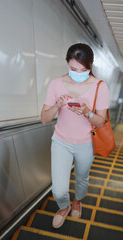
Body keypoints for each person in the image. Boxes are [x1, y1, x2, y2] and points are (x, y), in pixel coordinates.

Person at [41, 43, 109, 228]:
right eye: (73, 69)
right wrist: (57, 106)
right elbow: (44, 119)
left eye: (83, 69)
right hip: (61, 142)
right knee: (59, 189)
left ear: (90, 67)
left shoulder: (100, 87)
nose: (77, 73)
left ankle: (78, 201)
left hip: (86, 144)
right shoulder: (56, 84)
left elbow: (100, 122)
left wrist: (87, 112)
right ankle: (64, 207)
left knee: (82, 178)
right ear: (67, 64)